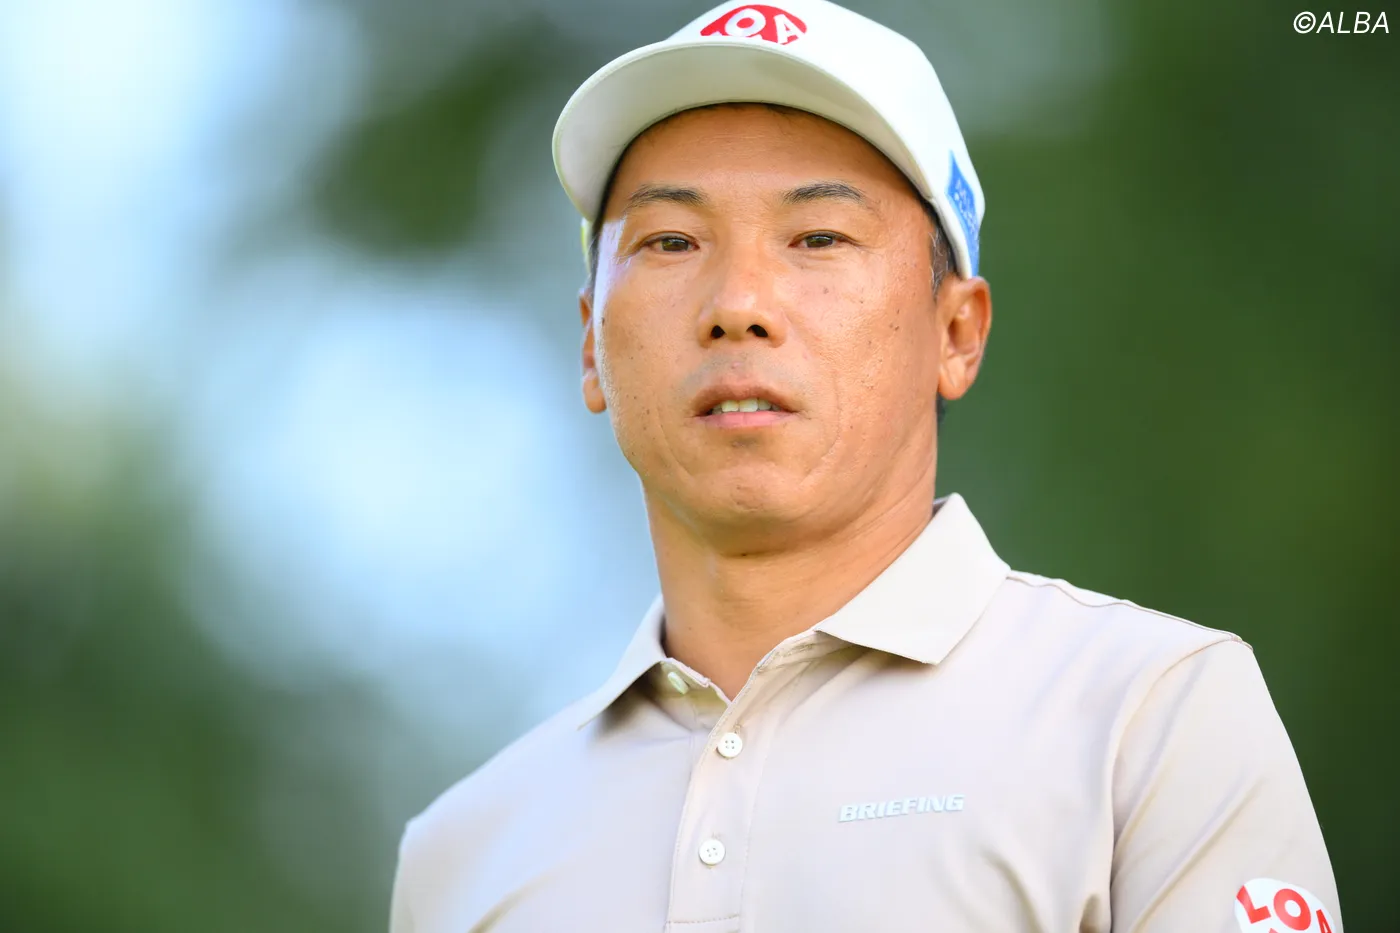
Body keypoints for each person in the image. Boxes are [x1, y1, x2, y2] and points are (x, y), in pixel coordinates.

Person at [388, 1, 1341, 930]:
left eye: (819, 239)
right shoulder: (464, 854)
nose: (738, 304)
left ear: (956, 332)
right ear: (592, 344)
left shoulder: (1150, 715)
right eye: (671, 241)